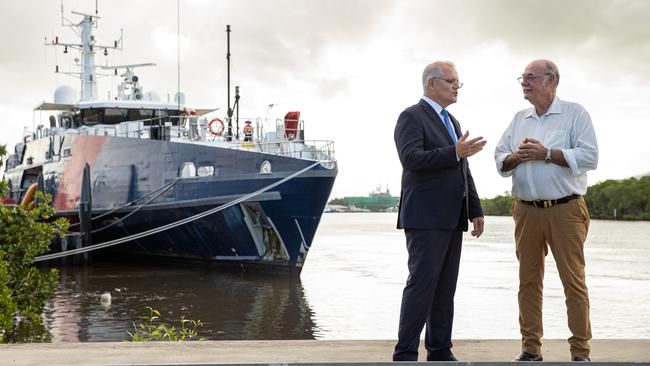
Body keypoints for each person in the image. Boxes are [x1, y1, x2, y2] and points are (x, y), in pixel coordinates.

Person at [494, 59, 598, 362]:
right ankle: (530, 349)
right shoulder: (519, 119)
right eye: (522, 78)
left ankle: (580, 353)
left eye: (530, 77)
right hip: (525, 211)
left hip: (565, 210)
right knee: (528, 282)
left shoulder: (575, 114)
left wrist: (547, 154)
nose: (524, 82)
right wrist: (517, 157)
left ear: (550, 80)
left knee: (573, 281)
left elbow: (590, 157)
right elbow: (500, 158)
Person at [393, 61, 486, 362]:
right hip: (425, 217)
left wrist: (475, 209)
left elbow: (463, 169)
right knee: (421, 286)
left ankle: (440, 352)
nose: (456, 86)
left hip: (452, 216)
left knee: (445, 290)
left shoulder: (453, 122)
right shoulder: (411, 116)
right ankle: (405, 354)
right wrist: (454, 152)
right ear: (431, 83)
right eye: (451, 81)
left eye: (459, 82)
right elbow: (411, 159)